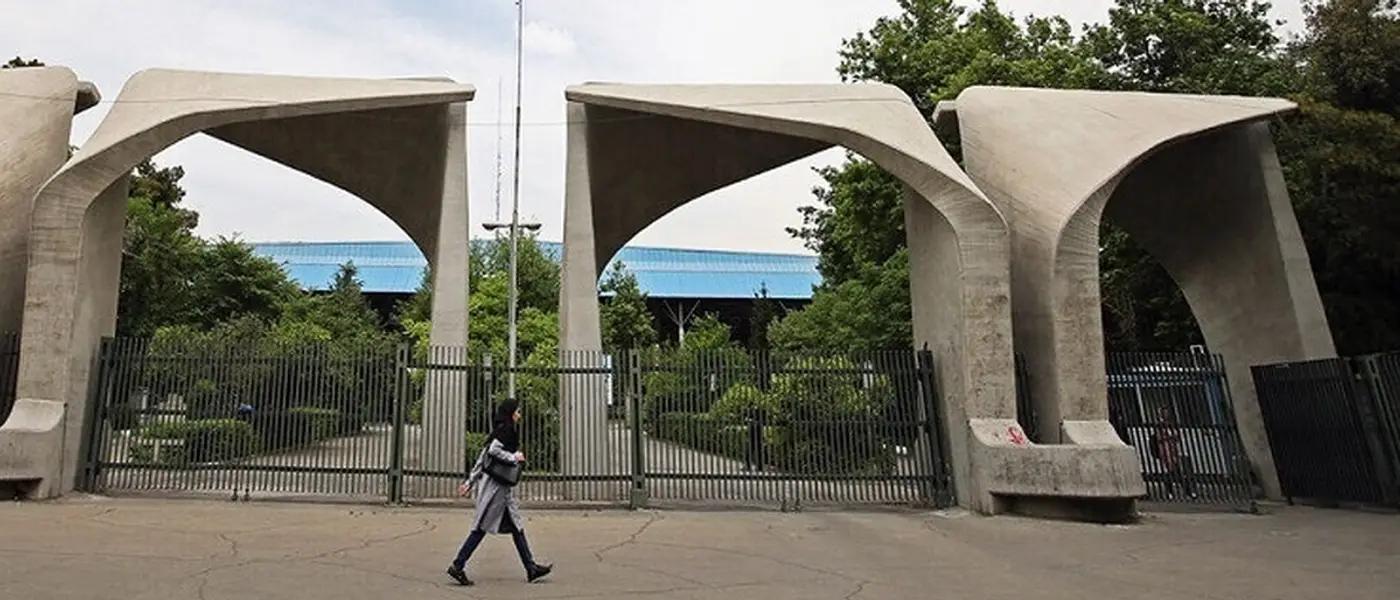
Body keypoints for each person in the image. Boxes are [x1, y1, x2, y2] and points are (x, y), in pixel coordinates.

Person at [446, 399, 553, 586]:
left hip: (502, 489)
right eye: (517, 412)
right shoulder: (506, 431)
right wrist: (514, 457)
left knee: (516, 526)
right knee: (480, 528)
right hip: (495, 489)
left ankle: (531, 567)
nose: (519, 415)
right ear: (511, 413)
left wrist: (470, 481)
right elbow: (493, 451)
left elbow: (482, 457)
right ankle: (458, 564)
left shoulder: (500, 430)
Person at [1150, 406, 1198, 500]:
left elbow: (1177, 437)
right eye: (1164, 413)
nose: (1166, 414)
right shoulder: (1160, 426)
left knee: (1176, 472)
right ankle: (1179, 492)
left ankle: (1181, 492)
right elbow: (1160, 439)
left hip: (1173, 450)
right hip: (1166, 451)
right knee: (1173, 472)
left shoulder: (1171, 425)